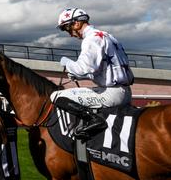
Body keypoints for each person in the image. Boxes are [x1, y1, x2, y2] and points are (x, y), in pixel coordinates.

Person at [51, 8, 135, 139]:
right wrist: (78, 74)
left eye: (67, 29)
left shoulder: (91, 39)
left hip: (111, 93)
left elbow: (83, 69)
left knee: (56, 96)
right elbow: (97, 70)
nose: (70, 34)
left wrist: (67, 63)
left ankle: (96, 121)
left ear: (76, 23)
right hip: (124, 91)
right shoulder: (107, 35)